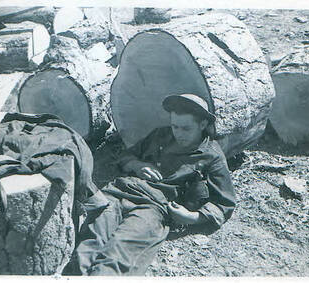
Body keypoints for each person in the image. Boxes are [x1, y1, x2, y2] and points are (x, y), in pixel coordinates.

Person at [72, 93, 236, 276]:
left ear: (203, 125)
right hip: (119, 192)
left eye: (186, 128)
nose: (178, 133)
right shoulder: (161, 135)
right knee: (89, 246)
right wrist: (137, 165)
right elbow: (126, 156)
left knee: (119, 252)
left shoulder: (211, 156)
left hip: (153, 207)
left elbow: (225, 202)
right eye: (175, 126)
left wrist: (192, 217)